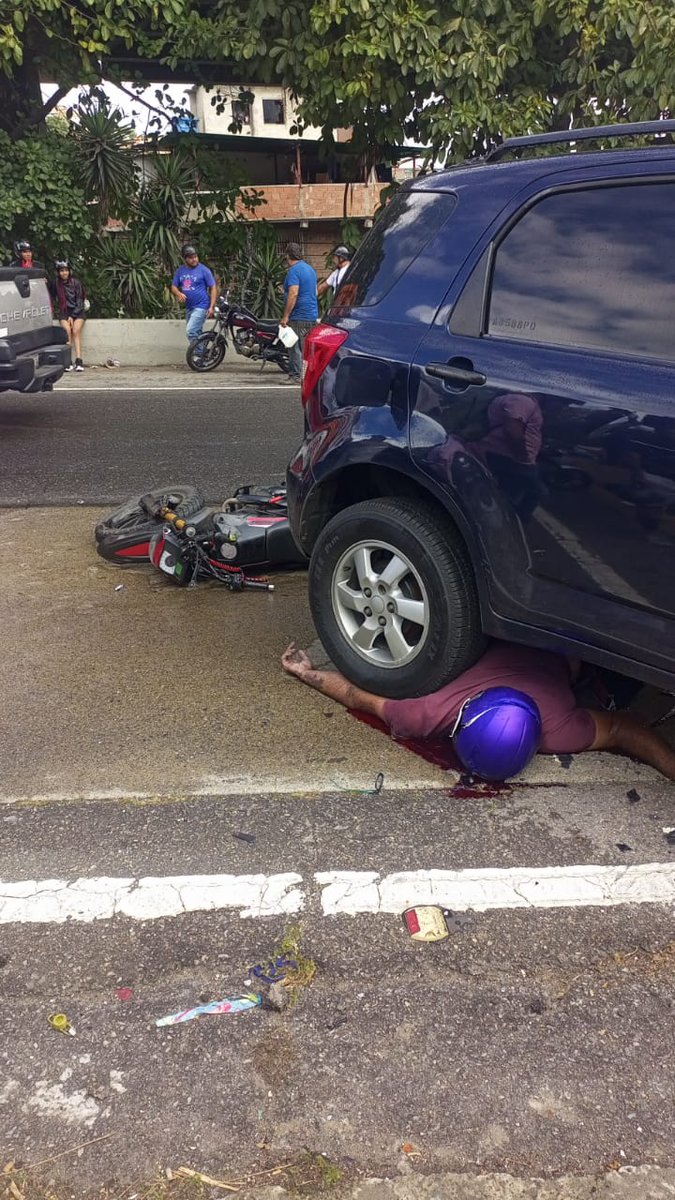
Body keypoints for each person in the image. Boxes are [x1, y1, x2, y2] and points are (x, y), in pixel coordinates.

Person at [281, 638, 675, 781]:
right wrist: (307, 673)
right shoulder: (424, 712)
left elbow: (354, 696)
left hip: (569, 642)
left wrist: (307, 673)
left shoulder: (425, 711)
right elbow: (353, 694)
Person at [280, 242, 318, 384]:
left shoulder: (294, 271)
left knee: (293, 346)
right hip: (311, 314)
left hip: (298, 315)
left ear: (288, 255)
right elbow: (313, 292)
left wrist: (286, 316)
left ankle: (295, 375)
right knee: (307, 349)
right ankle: (307, 376)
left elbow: (293, 293)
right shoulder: (310, 269)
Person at [171, 245, 217, 346]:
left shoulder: (204, 270)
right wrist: (179, 293)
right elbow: (173, 287)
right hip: (189, 307)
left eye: (195, 256)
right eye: (191, 258)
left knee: (191, 331)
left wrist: (211, 307)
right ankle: (206, 354)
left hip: (202, 306)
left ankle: (200, 355)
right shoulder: (180, 271)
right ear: (185, 259)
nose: (194, 259)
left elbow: (213, 287)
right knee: (196, 333)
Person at [51, 260, 87, 371]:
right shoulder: (56, 283)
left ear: (69, 271)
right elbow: (51, 295)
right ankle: (67, 360)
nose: (64, 273)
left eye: (66, 270)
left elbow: (80, 301)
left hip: (77, 311)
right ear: (58, 272)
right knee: (66, 331)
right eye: (62, 271)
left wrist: (73, 315)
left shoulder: (76, 283)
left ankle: (79, 360)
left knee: (75, 331)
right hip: (64, 311)